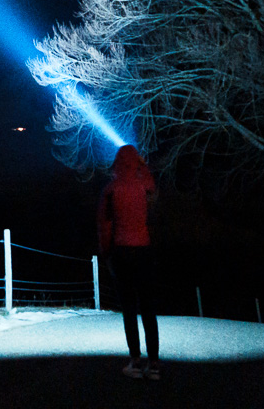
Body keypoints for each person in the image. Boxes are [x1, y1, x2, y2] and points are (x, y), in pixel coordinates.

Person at [99, 143, 160, 380]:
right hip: (143, 251)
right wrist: (143, 167)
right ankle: (153, 364)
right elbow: (152, 188)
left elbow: (104, 226)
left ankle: (135, 361)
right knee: (148, 308)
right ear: (136, 162)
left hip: (121, 253)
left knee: (129, 309)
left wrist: (107, 253)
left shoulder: (111, 189)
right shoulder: (145, 186)